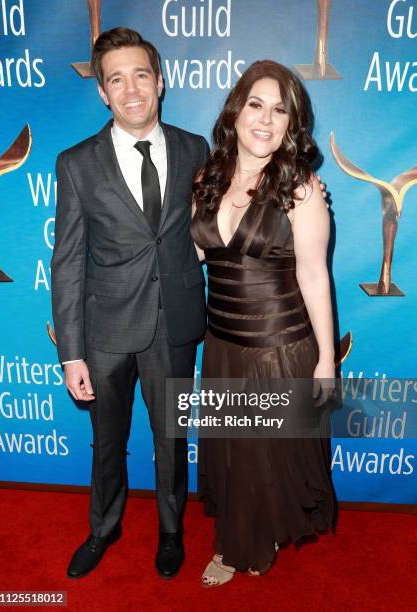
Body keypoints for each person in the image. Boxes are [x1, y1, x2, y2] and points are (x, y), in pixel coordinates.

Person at [51, 27, 209, 580]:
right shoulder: (75, 163)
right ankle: (104, 527)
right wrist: (71, 353)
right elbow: (67, 261)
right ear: (102, 92)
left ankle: (171, 530)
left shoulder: (195, 148)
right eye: (115, 79)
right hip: (106, 330)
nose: (131, 89)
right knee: (107, 442)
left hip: (176, 325)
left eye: (141, 74)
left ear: (160, 82)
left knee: (173, 439)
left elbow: (205, 228)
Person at [191, 60, 336, 586]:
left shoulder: (301, 190)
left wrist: (324, 360)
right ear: (235, 111)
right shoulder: (206, 178)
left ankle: (240, 548)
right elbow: (198, 256)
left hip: (278, 346)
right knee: (235, 457)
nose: (266, 120)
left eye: (280, 111)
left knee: (266, 458)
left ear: (291, 125)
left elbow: (315, 276)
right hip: (223, 344)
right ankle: (241, 536)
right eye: (256, 104)